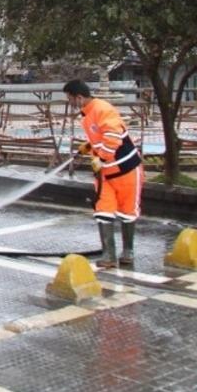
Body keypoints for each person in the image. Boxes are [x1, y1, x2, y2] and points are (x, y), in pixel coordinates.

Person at [64, 79, 144, 269]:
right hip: (105, 174)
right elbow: (102, 136)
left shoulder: (102, 109)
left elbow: (113, 136)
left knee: (127, 212)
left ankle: (128, 252)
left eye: (70, 99)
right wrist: (89, 147)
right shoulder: (88, 114)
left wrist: (102, 158)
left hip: (126, 170)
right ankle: (108, 255)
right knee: (103, 211)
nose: (70, 103)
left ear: (80, 97)